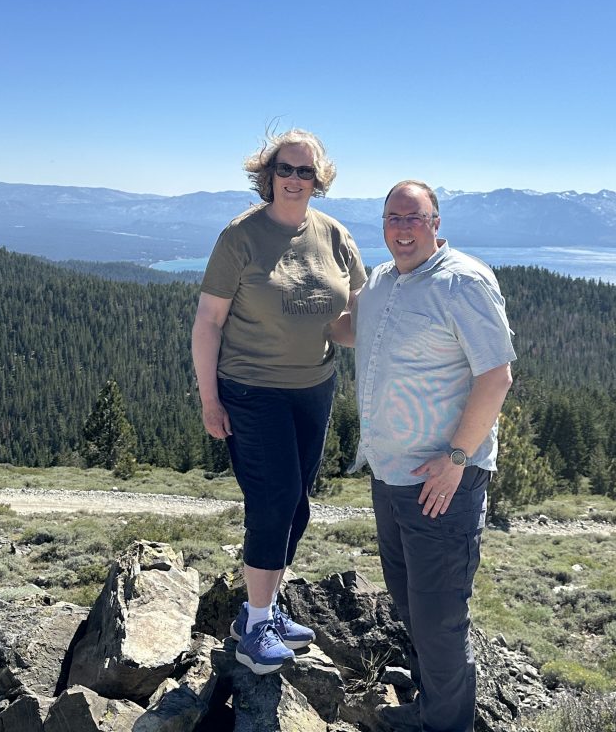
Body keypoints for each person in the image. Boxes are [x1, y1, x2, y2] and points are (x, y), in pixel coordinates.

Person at [333, 180, 516, 732]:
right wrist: (288, 306)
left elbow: (496, 374)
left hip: (442, 480)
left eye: (415, 218)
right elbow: (348, 330)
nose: (403, 228)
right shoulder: (384, 282)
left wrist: (457, 458)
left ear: (436, 223)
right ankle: (434, 701)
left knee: (439, 619)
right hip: (390, 476)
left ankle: (447, 723)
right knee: (411, 605)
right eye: (393, 218)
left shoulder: (463, 281)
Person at [191, 128, 366, 675]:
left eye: (305, 171)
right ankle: (256, 624)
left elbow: (345, 323)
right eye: (285, 169)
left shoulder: (335, 236)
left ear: (319, 179)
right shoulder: (240, 237)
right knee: (274, 498)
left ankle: (261, 609)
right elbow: (209, 321)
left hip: (314, 388)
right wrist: (209, 398)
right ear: (268, 175)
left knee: (296, 503)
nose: (295, 179)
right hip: (251, 387)